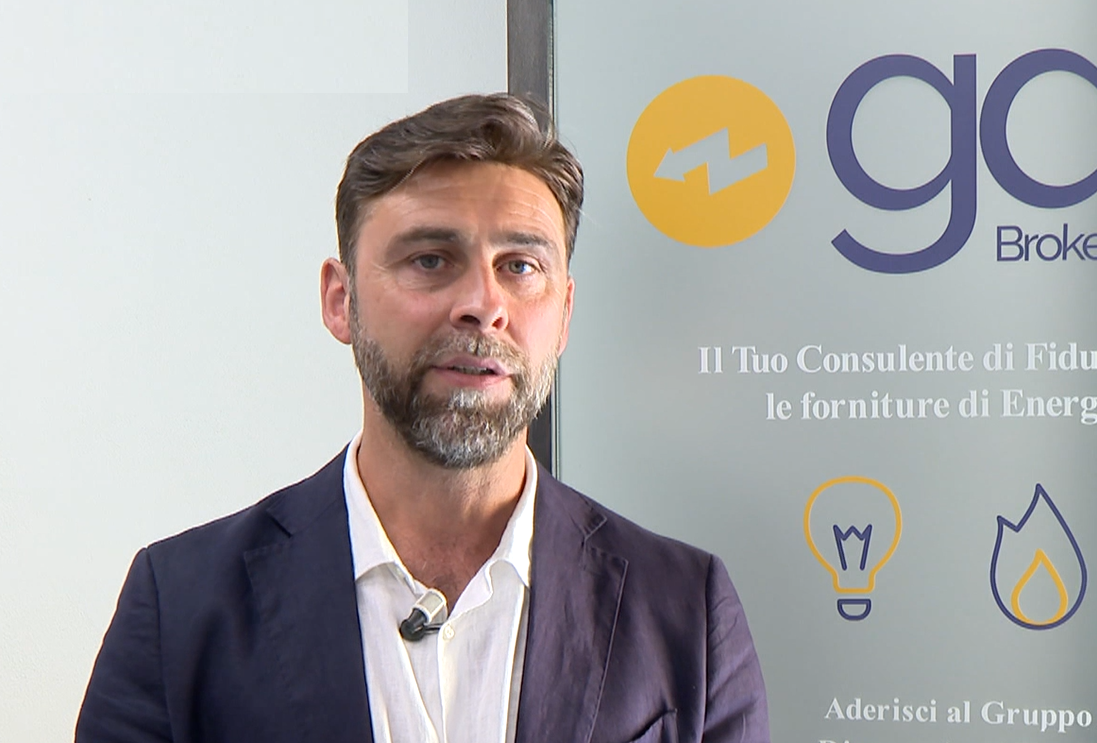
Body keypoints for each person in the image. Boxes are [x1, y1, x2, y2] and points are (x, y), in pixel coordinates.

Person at [76, 94, 769, 743]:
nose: (483, 305)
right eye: (431, 259)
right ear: (341, 301)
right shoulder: (180, 606)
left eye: (520, 266)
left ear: (563, 314)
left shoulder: (685, 610)